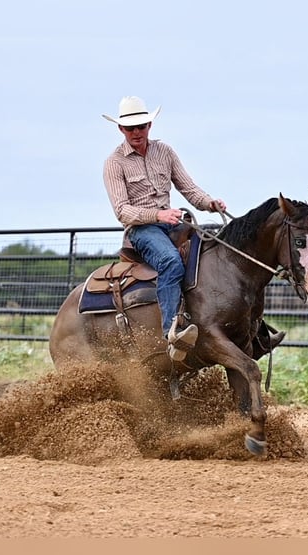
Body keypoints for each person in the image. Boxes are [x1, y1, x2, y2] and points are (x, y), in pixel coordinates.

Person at [102, 96, 227, 362]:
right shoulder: (115, 163)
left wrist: (209, 203)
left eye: (142, 126)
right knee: (171, 261)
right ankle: (172, 331)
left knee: (217, 253)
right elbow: (122, 211)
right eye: (130, 128)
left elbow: (189, 188)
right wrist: (158, 214)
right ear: (121, 130)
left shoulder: (165, 152)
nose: (137, 132)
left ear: (149, 125)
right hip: (141, 231)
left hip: (172, 225)